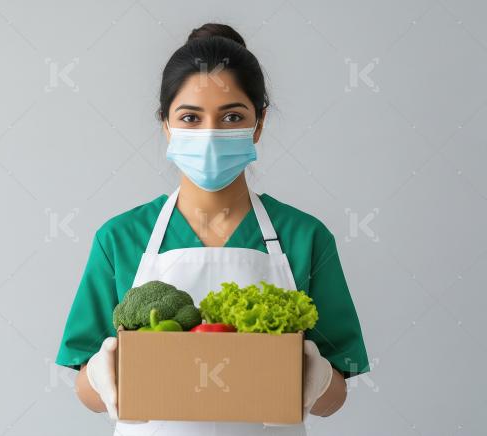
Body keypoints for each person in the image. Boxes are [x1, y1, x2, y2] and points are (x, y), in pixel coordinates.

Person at [55, 23, 370, 436]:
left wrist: (317, 380)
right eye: (190, 117)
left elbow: (336, 394)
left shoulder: (304, 236)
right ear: (166, 125)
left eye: (232, 116)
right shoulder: (120, 237)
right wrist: (102, 376)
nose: (209, 134)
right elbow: (84, 386)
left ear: (258, 123)